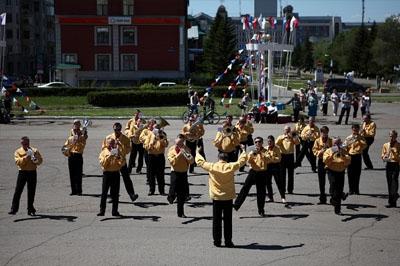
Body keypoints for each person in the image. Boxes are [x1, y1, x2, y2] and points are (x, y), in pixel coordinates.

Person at [195, 147, 247, 248]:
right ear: (227, 159)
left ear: (218, 158)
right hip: (228, 197)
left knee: (216, 220)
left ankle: (217, 241)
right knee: (228, 220)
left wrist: (197, 152)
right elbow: (241, 161)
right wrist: (243, 151)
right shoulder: (231, 166)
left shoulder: (212, 166)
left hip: (216, 197)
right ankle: (228, 241)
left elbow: (200, 162)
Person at [102, 123, 138, 202]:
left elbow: (128, 150)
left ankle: (132, 194)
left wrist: (121, 146)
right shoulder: (109, 137)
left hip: (121, 161)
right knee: (113, 179)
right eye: (115, 130)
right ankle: (112, 196)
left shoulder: (125, 139)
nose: (117, 131)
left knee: (126, 178)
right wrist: (109, 149)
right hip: (112, 162)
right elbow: (103, 148)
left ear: (120, 129)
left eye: (118, 130)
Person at [234, 137, 268, 216]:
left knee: (261, 193)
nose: (257, 143)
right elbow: (248, 161)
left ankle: (261, 210)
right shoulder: (252, 151)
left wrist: (261, 153)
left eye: (259, 142)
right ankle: (236, 205)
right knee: (245, 188)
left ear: (262, 143)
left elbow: (269, 159)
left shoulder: (266, 151)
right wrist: (253, 154)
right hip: (253, 172)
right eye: (256, 142)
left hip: (262, 172)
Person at [9, 136, 43, 215]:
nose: (25, 145)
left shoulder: (34, 150)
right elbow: (18, 162)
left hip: (32, 172)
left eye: (26, 143)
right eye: (23, 143)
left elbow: (40, 161)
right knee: (18, 191)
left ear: (29, 143)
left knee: (31, 191)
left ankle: (30, 208)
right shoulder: (18, 151)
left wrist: (34, 159)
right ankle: (14, 208)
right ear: (21, 143)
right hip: (22, 173)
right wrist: (26, 157)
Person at [167, 134, 194, 217]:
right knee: (173, 187)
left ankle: (180, 213)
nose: (180, 145)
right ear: (176, 141)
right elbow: (172, 162)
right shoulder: (171, 149)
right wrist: (179, 154)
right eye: (179, 143)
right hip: (175, 172)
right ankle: (170, 197)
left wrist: (187, 155)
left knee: (181, 194)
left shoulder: (186, 149)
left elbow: (191, 161)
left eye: (182, 143)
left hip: (183, 172)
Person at [323, 138, 351, 215]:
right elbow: (325, 161)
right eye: (335, 144)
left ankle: (337, 209)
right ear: (332, 144)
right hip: (331, 171)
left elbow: (348, 161)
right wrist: (332, 154)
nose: (337, 146)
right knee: (333, 187)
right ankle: (333, 198)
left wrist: (342, 155)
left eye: (338, 144)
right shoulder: (328, 151)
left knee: (339, 190)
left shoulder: (344, 151)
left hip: (341, 172)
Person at [97, 138, 124, 217]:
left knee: (115, 194)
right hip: (107, 174)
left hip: (115, 173)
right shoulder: (103, 152)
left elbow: (122, 163)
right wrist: (109, 156)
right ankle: (102, 211)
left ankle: (115, 211)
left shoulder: (117, 151)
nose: (112, 145)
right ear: (107, 144)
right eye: (110, 143)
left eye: (113, 143)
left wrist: (118, 156)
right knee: (104, 193)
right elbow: (103, 164)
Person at [63, 119, 87, 196]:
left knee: (79, 174)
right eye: (75, 124)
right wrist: (68, 149)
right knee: (72, 174)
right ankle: (73, 190)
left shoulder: (82, 138)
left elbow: (83, 144)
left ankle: (79, 190)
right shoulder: (70, 138)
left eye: (77, 124)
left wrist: (81, 136)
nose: (76, 126)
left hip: (78, 155)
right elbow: (65, 147)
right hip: (71, 155)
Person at [143, 125, 169, 195]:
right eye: (155, 129)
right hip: (151, 156)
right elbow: (145, 146)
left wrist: (161, 138)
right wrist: (152, 141)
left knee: (160, 174)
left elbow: (166, 144)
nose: (156, 130)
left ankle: (161, 191)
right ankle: (151, 190)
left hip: (160, 157)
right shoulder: (150, 135)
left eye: (157, 129)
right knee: (151, 174)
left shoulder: (163, 135)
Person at [344, 124, 367, 195]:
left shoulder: (361, 137)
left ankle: (356, 189)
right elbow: (345, 146)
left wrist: (359, 140)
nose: (355, 131)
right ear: (352, 130)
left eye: (357, 130)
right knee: (350, 173)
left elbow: (365, 146)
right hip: (350, 156)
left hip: (357, 155)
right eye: (354, 130)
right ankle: (351, 189)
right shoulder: (348, 138)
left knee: (357, 173)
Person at [276, 126, 300, 195]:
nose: (287, 131)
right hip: (283, 156)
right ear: (284, 130)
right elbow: (276, 144)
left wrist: (293, 137)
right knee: (282, 174)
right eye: (286, 130)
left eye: (288, 130)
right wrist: (284, 137)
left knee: (290, 174)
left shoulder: (292, 137)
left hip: (290, 156)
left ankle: (290, 189)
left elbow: (298, 143)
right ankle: (282, 189)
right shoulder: (281, 137)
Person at [312, 126, 333, 204]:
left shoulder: (331, 141)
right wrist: (320, 151)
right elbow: (314, 151)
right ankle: (322, 198)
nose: (324, 134)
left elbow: (335, 150)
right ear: (320, 133)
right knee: (321, 181)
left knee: (331, 181)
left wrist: (329, 149)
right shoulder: (317, 141)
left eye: (326, 132)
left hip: (329, 161)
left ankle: (332, 197)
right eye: (323, 132)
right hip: (321, 161)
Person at [381, 130, 400, 208]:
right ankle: (391, 202)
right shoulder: (386, 145)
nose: (392, 137)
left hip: (396, 164)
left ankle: (395, 196)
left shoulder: (399, 145)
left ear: (396, 136)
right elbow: (382, 154)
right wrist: (384, 157)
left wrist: (395, 154)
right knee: (389, 182)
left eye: (393, 136)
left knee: (394, 180)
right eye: (391, 136)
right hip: (389, 164)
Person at [265, 135, 286, 203]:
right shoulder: (265, 148)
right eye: (268, 141)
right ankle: (270, 197)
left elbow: (279, 159)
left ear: (274, 141)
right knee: (268, 183)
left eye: (270, 141)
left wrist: (271, 158)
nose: (269, 143)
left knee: (279, 182)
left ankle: (283, 197)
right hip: (268, 167)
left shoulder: (277, 148)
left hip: (275, 166)